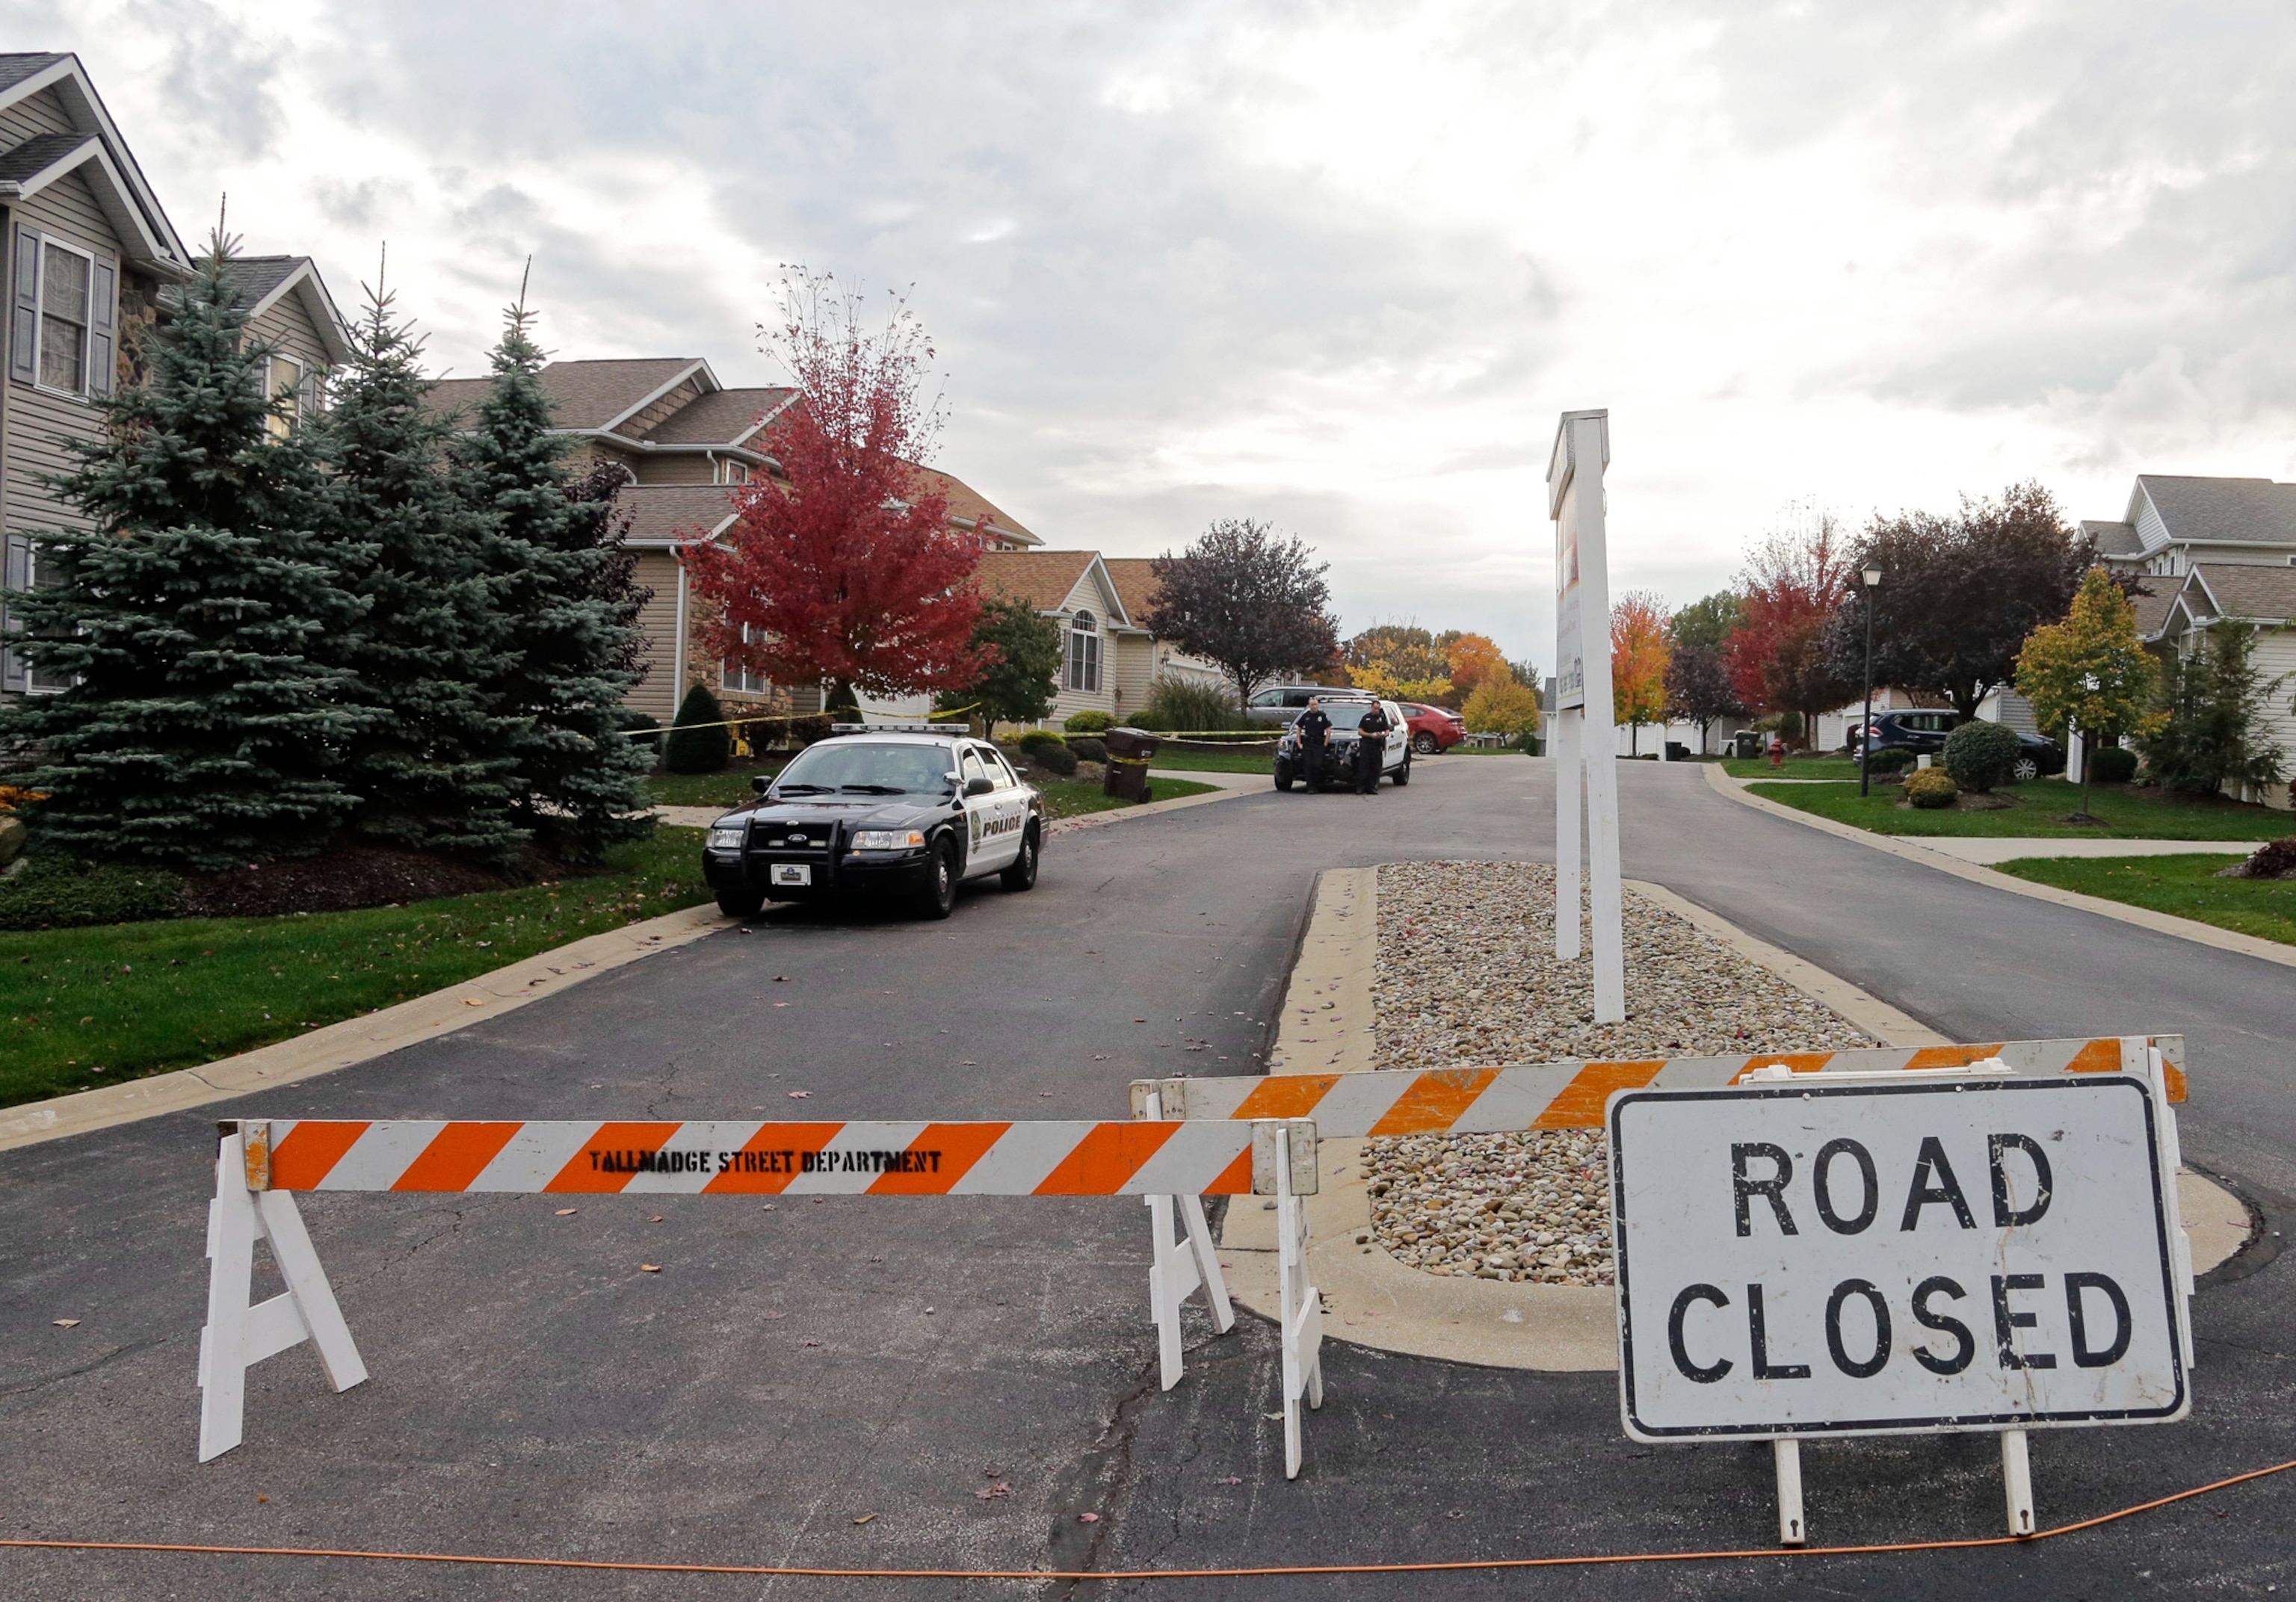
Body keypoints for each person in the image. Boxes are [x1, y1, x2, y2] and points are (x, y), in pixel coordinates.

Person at [1354, 699, 1393, 794]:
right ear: (1371, 708)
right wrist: (1370, 735)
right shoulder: (1366, 718)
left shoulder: (1381, 719)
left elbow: (1387, 731)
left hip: (1377, 746)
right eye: (1375, 708)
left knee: (1375, 767)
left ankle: (1372, 787)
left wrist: (1383, 735)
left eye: (1378, 709)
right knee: (1364, 767)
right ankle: (1360, 787)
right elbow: (1360, 731)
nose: (1377, 711)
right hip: (1367, 745)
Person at [1294, 697, 1333, 791]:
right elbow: (1299, 729)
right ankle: (1310, 787)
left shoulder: (1322, 716)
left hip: (1319, 744)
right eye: (1312, 705)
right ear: (1309, 706)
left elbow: (1328, 729)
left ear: (1318, 705)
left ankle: (1317, 785)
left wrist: (1325, 744)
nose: (1314, 706)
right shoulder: (1306, 716)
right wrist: (1299, 743)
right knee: (1308, 766)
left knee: (1317, 765)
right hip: (1308, 744)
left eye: (1315, 704)